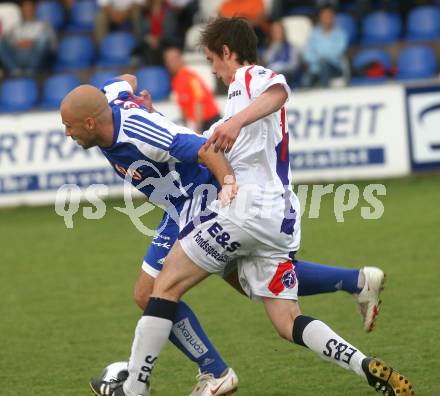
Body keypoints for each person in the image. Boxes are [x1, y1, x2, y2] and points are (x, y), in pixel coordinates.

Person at [88, 17, 412, 396]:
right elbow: (197, 143)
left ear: (227, 52)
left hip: (247, 207)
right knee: (286, 320)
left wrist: (236, 122)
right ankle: (365, 366)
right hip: (279, 217)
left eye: (212, 59)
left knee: (160, 289)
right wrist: (156, 117)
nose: (213, 69)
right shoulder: (234, 104)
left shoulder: (246, 78)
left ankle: (150, 385)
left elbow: (278, 90)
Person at [163, 44, 222, 132]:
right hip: (200, 123)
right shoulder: (175, 81)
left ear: (180, 59)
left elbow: (198, 102)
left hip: (210, 121)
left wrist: (198, 129)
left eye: (172, 60)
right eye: (167, 61)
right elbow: (182, 106)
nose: (169, 64)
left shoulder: (190, 77)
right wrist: (185, 128)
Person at [0, 0, 56, 77]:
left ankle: (31, 70)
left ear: (35, 10)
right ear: (21, 11)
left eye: (30, 9)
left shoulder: (44, 25)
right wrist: (18, 44)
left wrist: (33, 43)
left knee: (43, 39)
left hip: (36, 58)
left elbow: (52, 46)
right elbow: (9, 44)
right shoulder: (15, 27)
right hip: (18, 57)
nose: (28, 11)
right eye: (25, 9)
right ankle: (15, 71)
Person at [302, 4, 348, 87]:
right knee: (306, 79)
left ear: (333, 17)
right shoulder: (314, 34)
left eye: (329, 16)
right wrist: (320, 59)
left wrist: (319, 57)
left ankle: (324, 92)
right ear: (320, 17)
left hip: (334, 68)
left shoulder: (340, 34)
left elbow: (337, 54)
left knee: (324, 65)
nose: (327, 18)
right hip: (316, 68)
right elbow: (307, 54)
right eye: (324, 16)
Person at [262, 20, 300, 87]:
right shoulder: (269, 48)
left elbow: (294, 65)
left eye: (279, 31)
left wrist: (281, 67)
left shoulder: (291, 47)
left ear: (283, 32)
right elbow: (266, 61)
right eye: (275, 31)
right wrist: (275, 45)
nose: (277, 33)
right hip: (271, 79)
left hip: (287, 77)